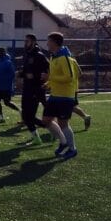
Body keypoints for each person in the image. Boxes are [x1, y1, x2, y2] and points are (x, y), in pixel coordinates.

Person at [41, 31, 81, 160]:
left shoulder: (64, 58)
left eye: (49, 41)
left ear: (54, 42)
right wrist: (48, 84)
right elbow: (56, 77)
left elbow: (69, 77)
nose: (47, 43)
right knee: (46, 121)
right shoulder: (54, 57)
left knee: (63, 123)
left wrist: (50, 78)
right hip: (54, 95)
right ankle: (63, 143)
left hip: (65, 97)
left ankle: (72, 149)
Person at [19, 33, 50, 145]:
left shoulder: (39, 55)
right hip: (26, 88)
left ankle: (51, 130)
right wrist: (21, 74)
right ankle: (40, 135)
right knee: (26, 116)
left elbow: (48, 70)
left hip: (35, 89)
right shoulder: (26, 54)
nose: (25, 43)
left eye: (27, 41)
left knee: (29, 116)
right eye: (25, 41)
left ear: (33, 42)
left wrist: (37, 76)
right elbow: (26, 71)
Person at [0, 47, 21, 123]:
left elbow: (12, 74)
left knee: (7, 102)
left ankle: (20, 110)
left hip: (6, 87)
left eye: (0, 52)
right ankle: (1, 117)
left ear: (4, 53)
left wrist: (4, 80)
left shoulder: (8, 62)